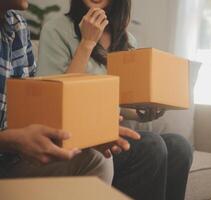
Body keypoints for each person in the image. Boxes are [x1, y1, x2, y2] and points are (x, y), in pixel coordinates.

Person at [38, 0, 193, 200]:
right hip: (75, 139)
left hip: (108, 133)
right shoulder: (56, 30)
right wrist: (87, 43)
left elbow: (118, 100)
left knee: (180, 147)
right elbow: (54, 100)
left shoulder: (127, 40)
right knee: (152, 146)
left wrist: (141, 112)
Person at [0, 0, 140, 184]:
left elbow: (33, 109)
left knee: (173, 146)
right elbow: (55, 104)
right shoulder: (56, 29)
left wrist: (146, 109)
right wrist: (87, 43)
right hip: (13, 153)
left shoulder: (16, 25)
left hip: (15, 154)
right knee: (133, 152)